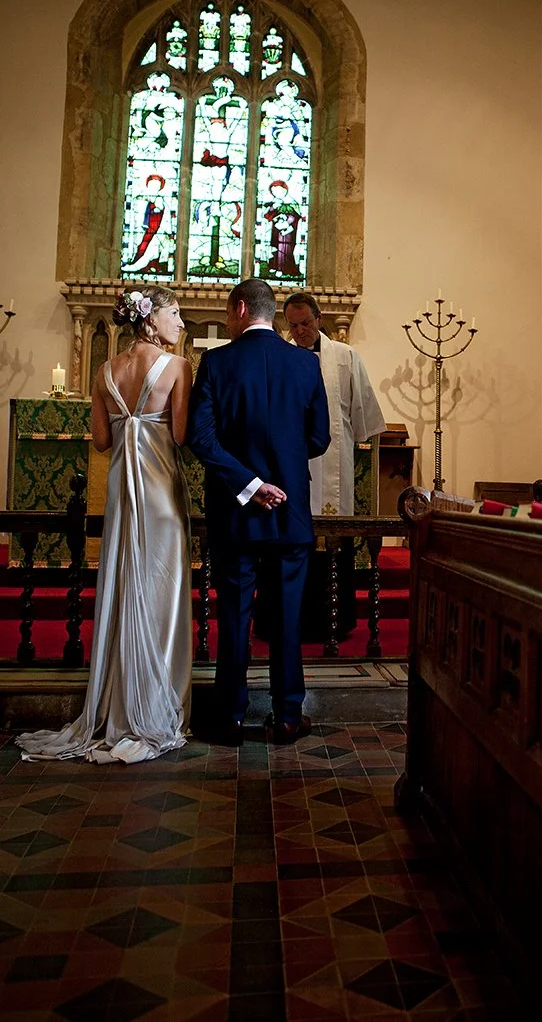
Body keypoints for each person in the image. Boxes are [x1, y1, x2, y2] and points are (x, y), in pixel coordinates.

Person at [17, 286, 193, 763]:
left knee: (122, 583)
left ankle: (117, 704)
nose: (182, 322)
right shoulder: (177, 368)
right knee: (161, 589)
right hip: (158, 493)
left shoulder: (104, 371)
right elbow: (180, 434)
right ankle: (154, 703)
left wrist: (128, 424)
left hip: (122, 492)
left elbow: (99, 439)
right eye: (175, 314)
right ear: (152, 320)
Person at [187, 278, 330, 746]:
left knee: (234, 613)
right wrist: (280, 470)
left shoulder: (215, 363)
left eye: (229, 315)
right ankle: (288, 716)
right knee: (288, 615)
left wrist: (249, 483)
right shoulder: (306, 364)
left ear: (241, 308)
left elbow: (201, 439)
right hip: (289, 508)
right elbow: (318, 438)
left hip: (236, 510)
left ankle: (230, 716)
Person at [274, 290, 386, 641]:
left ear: (319, 319)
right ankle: (290, 621)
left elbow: (363, 413)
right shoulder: (281, 356)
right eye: (293, 326)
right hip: (292, 463)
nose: (300, 331)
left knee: (333, 537)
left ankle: (335, 621)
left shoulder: (345, 356)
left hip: (334, 458)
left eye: (305, 323)